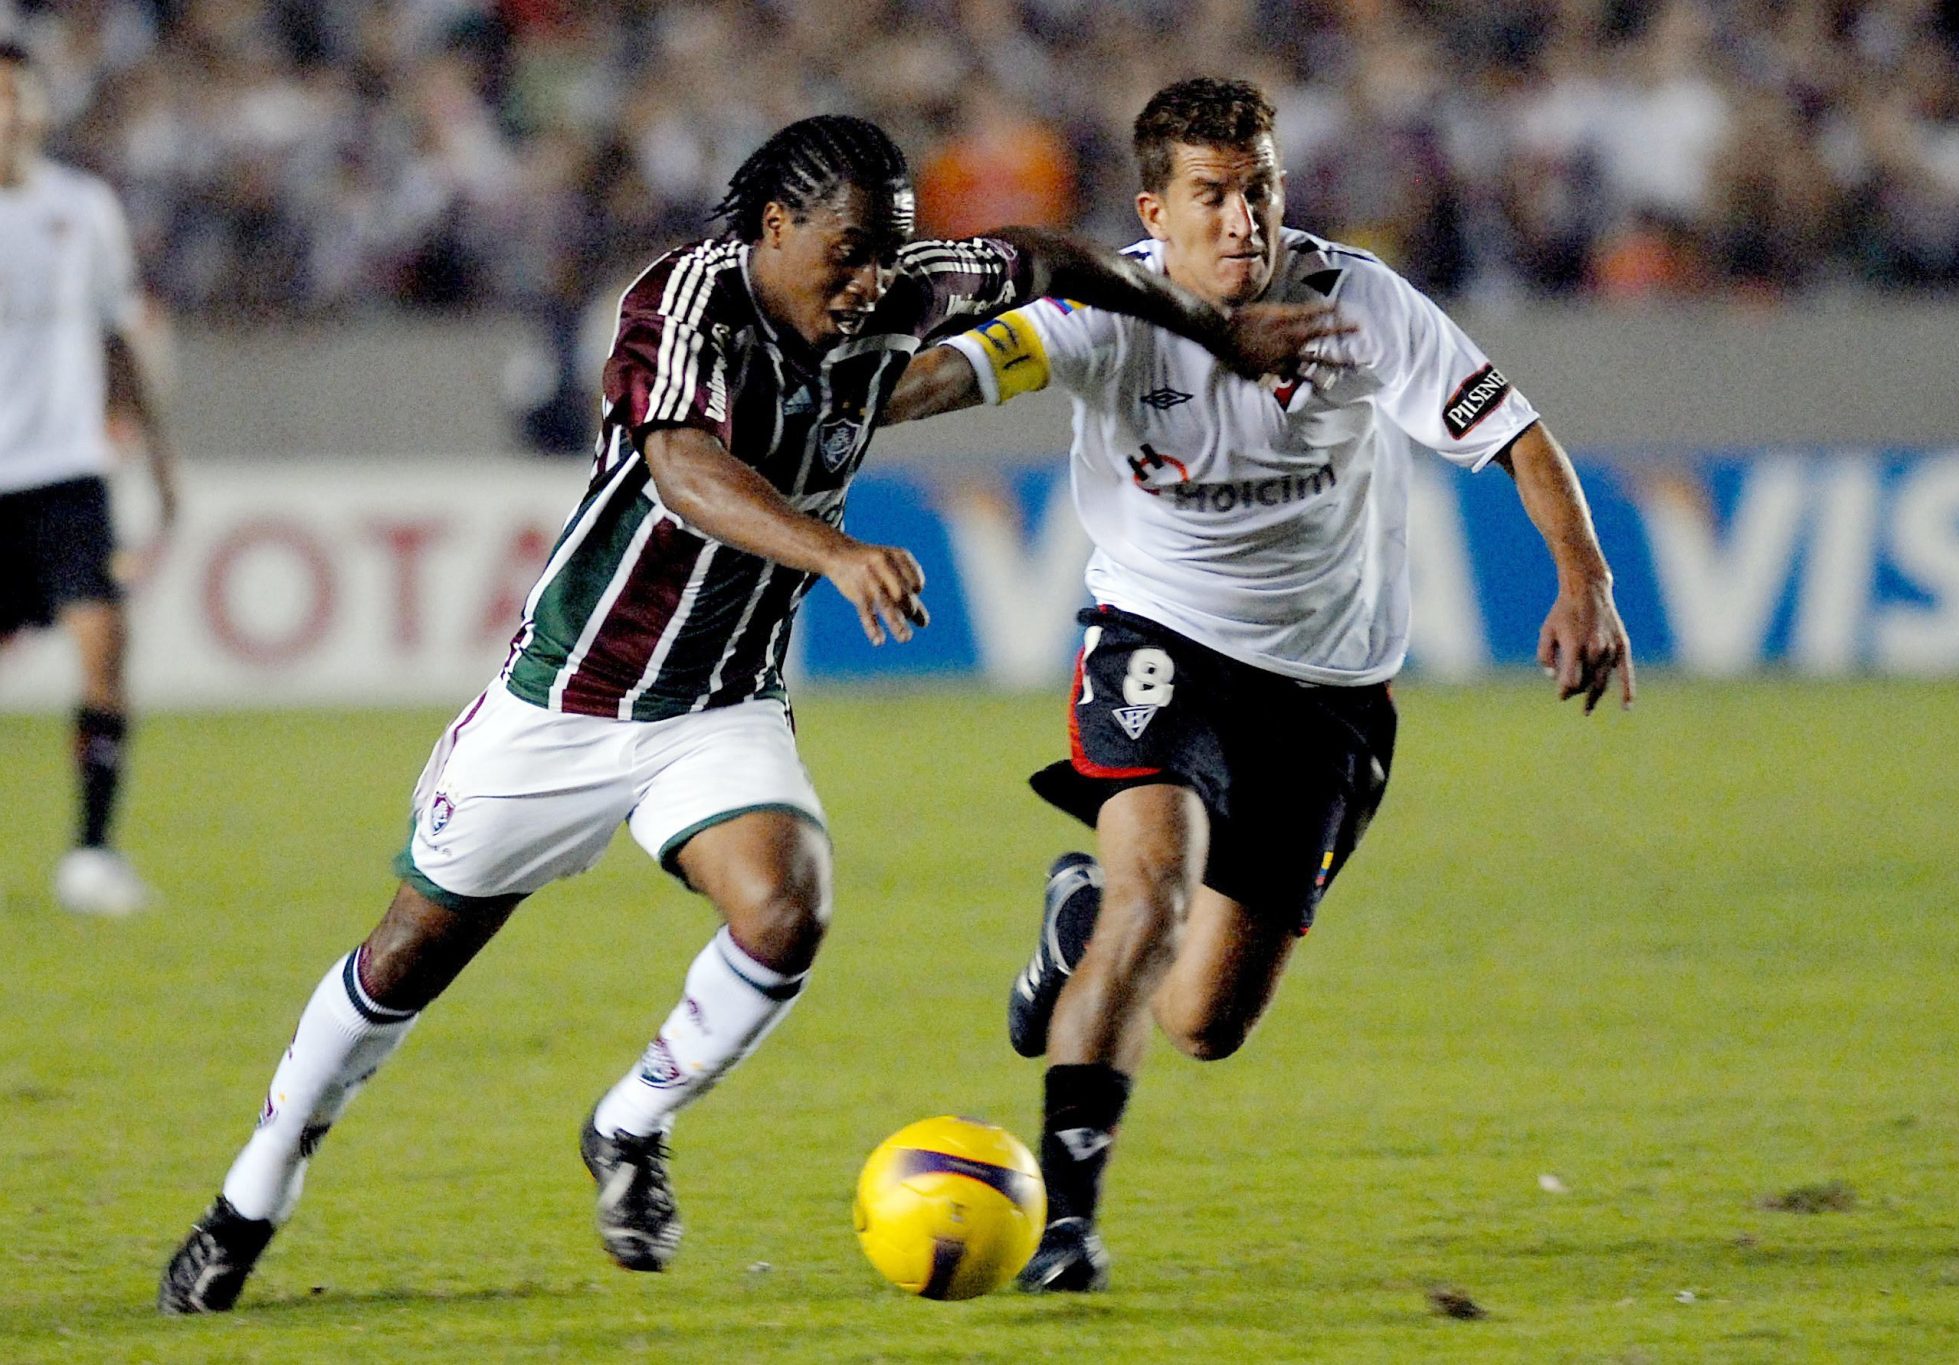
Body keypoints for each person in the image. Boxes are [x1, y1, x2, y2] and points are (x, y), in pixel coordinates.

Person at [157, 113, 1343, 1315]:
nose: (872, 282)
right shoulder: (683, 301)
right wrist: (829, 549)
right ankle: (250, 1198)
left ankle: (629, 1126)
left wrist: (1208, 327)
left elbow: (1050, 257)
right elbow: (682, 469)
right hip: (568, 700)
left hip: (718, 704)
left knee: (787, 909)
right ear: (774, 228)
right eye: (846, 253)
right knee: (403, 959)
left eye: (888, 253)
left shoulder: (895, 291)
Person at [888, 77, 1635, 1291]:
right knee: (1152, 896)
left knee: (1202, 1023)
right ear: (1153, 211)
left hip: (1330, 690)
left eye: (1260, 193)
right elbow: (952, 378)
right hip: (1157, 641)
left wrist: (1581, 579)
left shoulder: (1356, 301)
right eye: (1213, 198)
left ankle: (1070, 924)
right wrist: (844, 391)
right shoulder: (1102, 312)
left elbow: (1514, 434)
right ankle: (1067, 1221)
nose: (1244, 223)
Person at [0, 40, 177, 918]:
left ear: (36, 106)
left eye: (14, 94)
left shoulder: (84, 207)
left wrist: (162, 465)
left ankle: (92, 852)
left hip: (68, 470)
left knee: (104, 651)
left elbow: (119, 338)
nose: (5, 111)